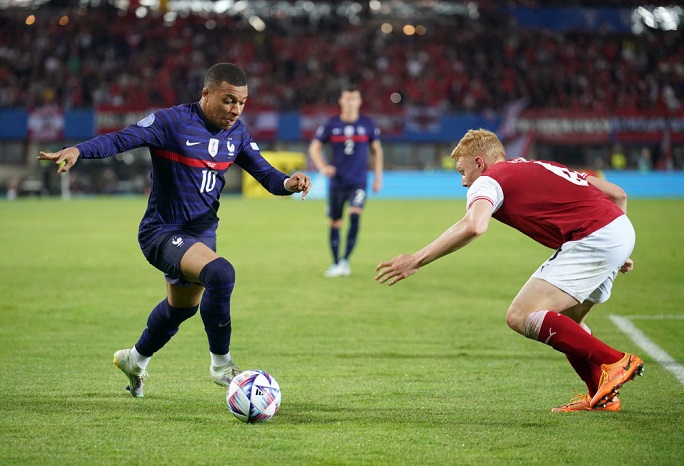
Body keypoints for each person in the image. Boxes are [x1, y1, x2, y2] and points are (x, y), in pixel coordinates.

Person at [38, 63, 311, 398]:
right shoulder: (171, 122)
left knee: (182, 308)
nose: (235, 110)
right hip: (162, 231)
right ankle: (222, 367)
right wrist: (80, 149)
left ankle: (134, 360)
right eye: (228, 101)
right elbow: (123, 138)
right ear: (206, 93)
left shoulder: (237, 134)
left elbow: (268, 177)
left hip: (202, 233)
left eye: (241, 102)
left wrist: (288, 182)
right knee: (221, 274)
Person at [375, 129, 643, 412]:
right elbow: (617, 194)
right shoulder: (539, 164)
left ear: (479, 163)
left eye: (462, 171)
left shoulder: (488, 180)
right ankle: (601, 395)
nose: (463, 182)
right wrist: (618, 247)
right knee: (568, 321)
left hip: (595, 237)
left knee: (520, 315)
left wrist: (416, 259)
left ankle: (613, 360)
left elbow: (474, 225)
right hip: (615, 231)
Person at [308, 84, 384, 277]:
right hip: (337, 182)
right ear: (341, 101)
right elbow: (314, 148)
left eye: (354, 99)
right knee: (335, 223)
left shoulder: (367, 124)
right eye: (347, 99)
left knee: (355, 214)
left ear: (359, 101)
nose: (350, 102)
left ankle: (345, 261)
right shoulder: (331, 124)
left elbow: (377, 151)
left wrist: (378, 177)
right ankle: (335, 263)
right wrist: (323, 167)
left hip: (358, 181)